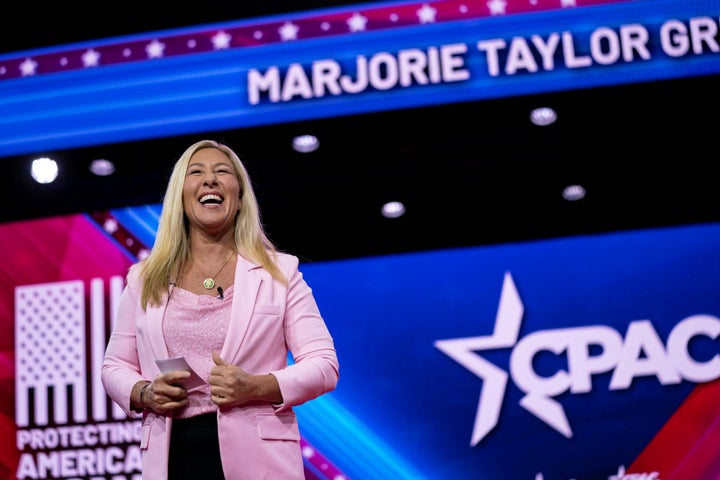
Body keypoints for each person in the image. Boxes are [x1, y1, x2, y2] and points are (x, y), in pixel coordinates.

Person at [101, 139, 339, 479]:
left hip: (261, 461)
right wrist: (146, 392)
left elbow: (324, 364)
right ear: (180, 198)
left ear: (240, 197)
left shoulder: (279, 272)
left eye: (222, 172)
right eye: (196, 172)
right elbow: (115, 366)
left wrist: (257, 386)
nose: (209, 180)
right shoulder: (144, 278)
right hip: (173, 458)